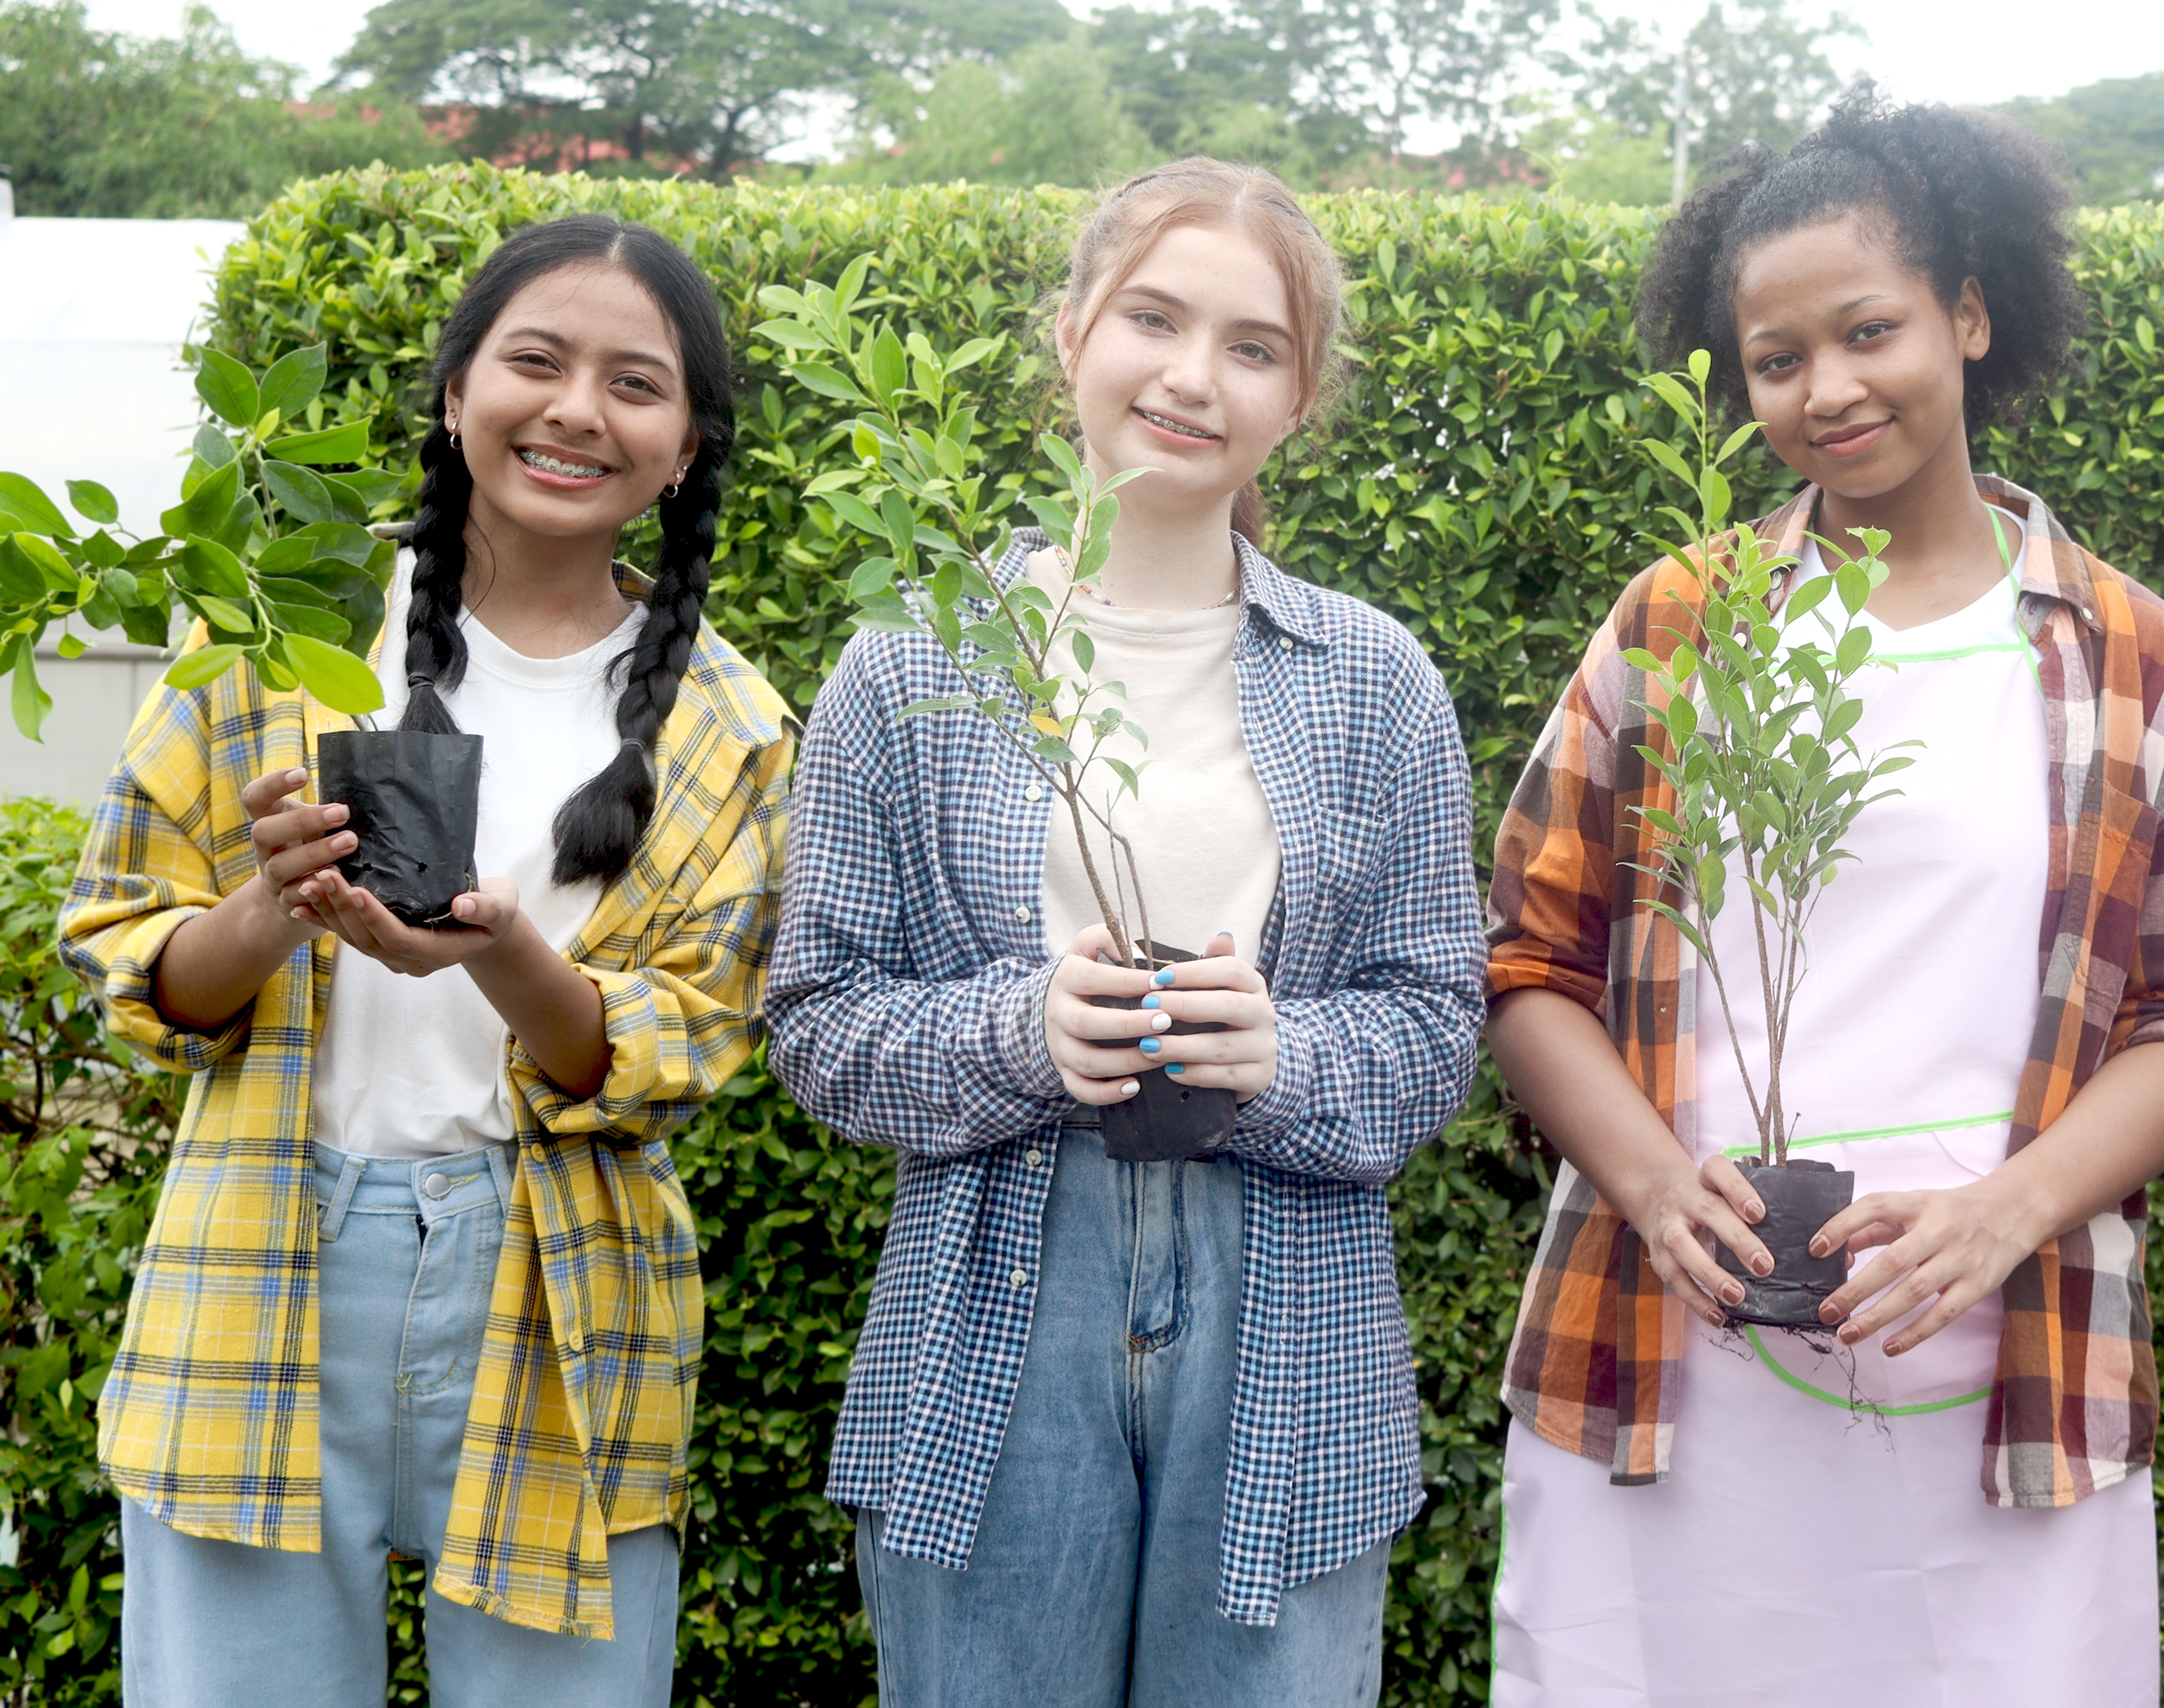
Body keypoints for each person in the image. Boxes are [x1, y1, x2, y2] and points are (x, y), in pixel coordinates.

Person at [1485, 88, 2164, 1706]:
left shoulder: (2132, 656)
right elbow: (1526, 962)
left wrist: (2005, 1213)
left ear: (1969, 316)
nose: (1828, 390)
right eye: (1777, 361)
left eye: (1869, 331)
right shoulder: (1678, 625)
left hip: (2013, 1388)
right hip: (1673, 1380)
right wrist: (1649, 1183)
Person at [766, 158, 1484, 1705]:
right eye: (1153, 317)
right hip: (990, 1299)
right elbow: (816, 1021)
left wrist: (1283, 1052)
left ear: (1302, 399)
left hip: (1290, 1316)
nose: (1190, 376)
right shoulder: (908, 669)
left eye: (1253, 346)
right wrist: (1024, 1033)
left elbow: (1437, 1024)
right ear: (1076, 332)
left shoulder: (1377, 682)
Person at [64, 215, 794, 1705]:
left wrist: (498, 951)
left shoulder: (731, 723)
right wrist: (276, 904)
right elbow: (137, 967)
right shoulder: (282, 636)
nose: (577, 408)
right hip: (266, 1246)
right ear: (456, 393)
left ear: (685, 450)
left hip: (564, 1287)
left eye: (633, 384)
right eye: (535, 360)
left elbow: (674, 1052)